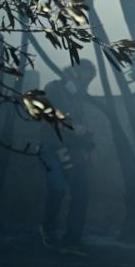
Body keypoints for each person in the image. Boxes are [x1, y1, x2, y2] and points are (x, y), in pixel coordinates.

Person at [39, 61, 97, 255]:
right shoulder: (53, 88)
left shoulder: (78, 97)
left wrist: (86, 146)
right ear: (75, 73)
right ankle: (48, 230)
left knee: (83, 192)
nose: (87, 84)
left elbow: (79, 124)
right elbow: (48, 116)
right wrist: (73, 128)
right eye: (86, 79)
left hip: (73, 150)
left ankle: (72, 240)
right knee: (57, 188)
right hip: (51, 147)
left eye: (90, 81)